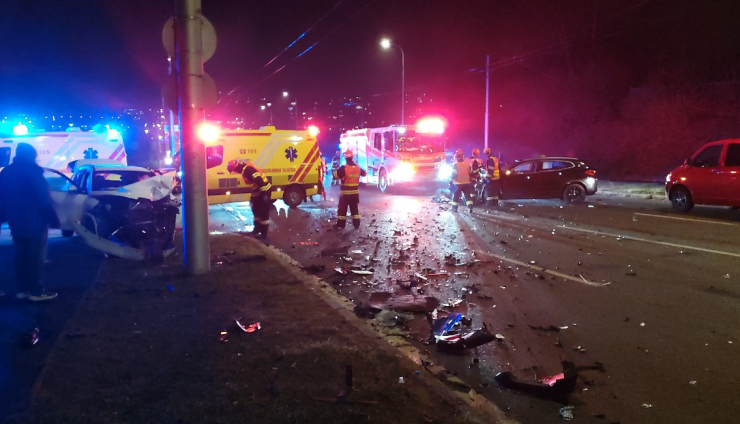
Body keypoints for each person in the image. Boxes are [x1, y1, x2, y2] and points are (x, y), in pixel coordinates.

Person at [0, 143, 59, 301]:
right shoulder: (33, 172)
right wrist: (53, 218)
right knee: (35, 256)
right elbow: (42, 198)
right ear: (32, 155)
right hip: (34, 219)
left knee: (21, 255)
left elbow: (2, 197)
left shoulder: (6, 172)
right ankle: (36, 291)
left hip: (15, 220)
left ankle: (22, 289)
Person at [226, 160, 272, 239]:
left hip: (264, 190)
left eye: (234, 171)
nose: (235, 172)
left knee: (263, 213)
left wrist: (264, 195)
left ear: (236, 168)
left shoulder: (248, 170)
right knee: (256, 210)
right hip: (258, 191)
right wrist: (254, 197)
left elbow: (259, 180)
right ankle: (257, 229)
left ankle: (263, 234)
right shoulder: (245, 170)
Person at [333, 150, 366, 229]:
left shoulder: (344, 168)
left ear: (345, 158)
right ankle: (356, 224)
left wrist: (335, 169)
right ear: (352, 157)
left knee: (342, 210)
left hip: (345, 194)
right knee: (354, 209)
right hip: (355, 194)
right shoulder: (357, 167)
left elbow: (335, 176)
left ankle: (341, 225)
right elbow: (364, 173)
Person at [451, 148, 474, 213]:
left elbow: (454, 175)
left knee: (456, 196)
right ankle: (470, 207)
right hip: (466, 183)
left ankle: (454, 208)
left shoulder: (455, 165)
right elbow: (471, 173)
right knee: (468, 196)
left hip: (458, 184)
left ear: (457, 157)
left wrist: (450, 181)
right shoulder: (467, 165)